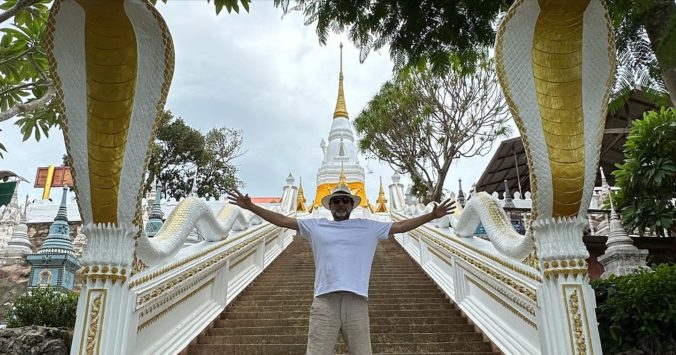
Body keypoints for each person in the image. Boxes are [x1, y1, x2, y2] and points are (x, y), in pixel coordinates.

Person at [227, 184, 456, 355]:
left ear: (352, 205)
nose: (340, 204)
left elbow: (401, 225)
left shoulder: (369, 227)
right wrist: (252, 207)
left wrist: (431, 216)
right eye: (336, 201)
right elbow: (282, 220)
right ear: (330, 205)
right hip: (324, 300)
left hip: (357, 300)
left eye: (345, 200)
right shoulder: (316, 225)